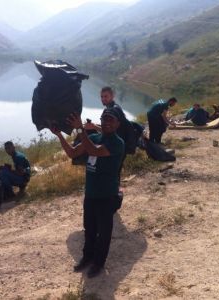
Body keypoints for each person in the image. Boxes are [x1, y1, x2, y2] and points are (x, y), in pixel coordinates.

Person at [50, 108, 124, 278]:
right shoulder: (93, 137)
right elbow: (72, 153)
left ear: (118, 123)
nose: (106, 122)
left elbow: (95, 151)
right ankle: (87, 258)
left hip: (107, 195)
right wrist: (60, 135)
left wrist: (80, 129)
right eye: (104, 118)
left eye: (111, 119)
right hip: (90, 195)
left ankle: (98, 263)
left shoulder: (117, 143)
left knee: (104, 233)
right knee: (89, 229)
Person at [84, 86, 134, 184]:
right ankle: (114, 191)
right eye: (102, 97)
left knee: (113, 172)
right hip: (118, 144)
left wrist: (94, 127)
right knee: (114, 171)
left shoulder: (113, 110)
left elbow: (109, 131)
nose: (103, 99)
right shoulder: (114, 108)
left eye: (106, 96)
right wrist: (94, 125)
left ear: (112, 96)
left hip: (117, 145)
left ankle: (114, 193)